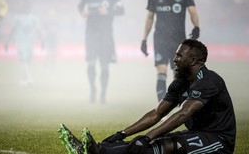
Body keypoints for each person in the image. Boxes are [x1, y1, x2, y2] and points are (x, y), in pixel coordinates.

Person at [59, 39, 236, 154]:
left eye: (179, 55)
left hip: (218, 140)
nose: (174, 59)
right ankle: (94, 150)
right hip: (196, 134)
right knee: (152, 143)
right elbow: (156, 113)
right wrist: (122, 133)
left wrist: (147, 136)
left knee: (162, 146)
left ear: (193, 60)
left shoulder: (209, 80)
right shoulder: (180, 82)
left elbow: (183, 114)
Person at [141, 0, 200, 102]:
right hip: (160, 38)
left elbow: (192, 11)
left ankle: (180, 108)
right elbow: (150, 17)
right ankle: (161, 110)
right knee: (161, 71)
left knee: (178, 74)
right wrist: (144, 39)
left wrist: (196, 27)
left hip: (179, 40)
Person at [78, 0, 124, 104]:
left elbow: (121, 10)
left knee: (104, 65)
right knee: (91, 64)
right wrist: (83, 13)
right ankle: (93, 89)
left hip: (106, 35)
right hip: (91, 34)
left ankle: (103, 94)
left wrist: (109, 12)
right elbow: (80, 7)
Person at [4, 3, 43, 86]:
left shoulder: (34, 18)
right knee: (23, 59)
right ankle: (29, 78)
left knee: (28, 60)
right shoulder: (17, 18)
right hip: (20, 41)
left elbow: (38, 30)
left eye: (28, 7)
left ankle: (24, 79)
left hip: (30, 42)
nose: (27, 8)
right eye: (25, 7)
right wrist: (7, 40)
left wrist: (42, 41)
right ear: (22, 8)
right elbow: (13, 29)